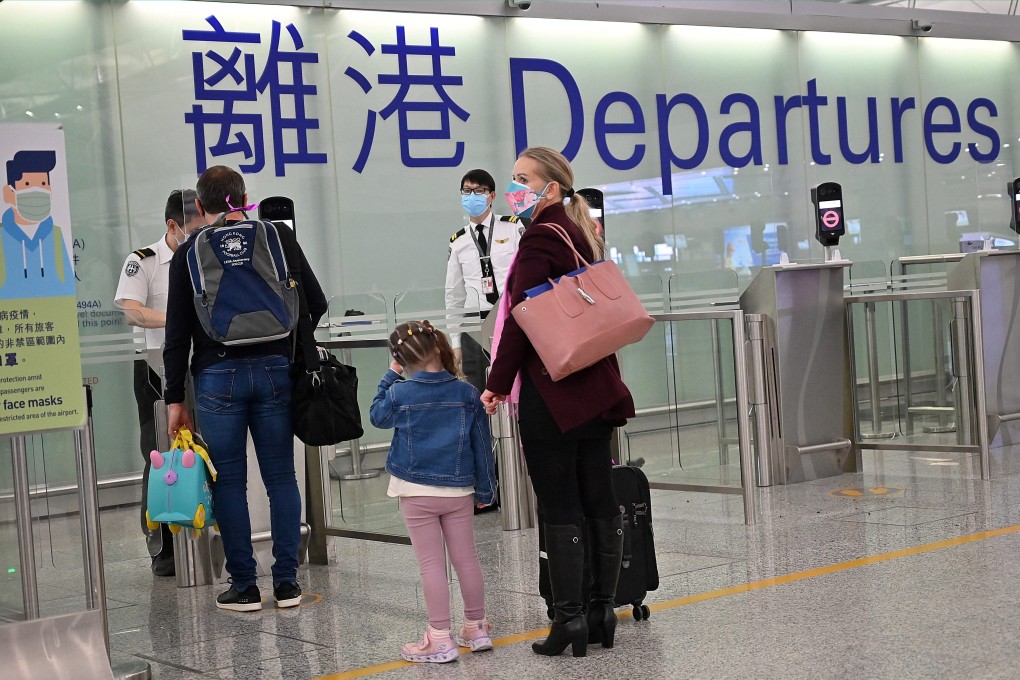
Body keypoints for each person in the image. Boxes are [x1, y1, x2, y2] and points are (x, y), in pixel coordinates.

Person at [480, 146, 633, 658]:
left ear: (551, 189)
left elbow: (524, 322)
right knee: (598, 495)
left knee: (561, 502)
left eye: (523, 179)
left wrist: (497, 383)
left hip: (554, 393)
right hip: (597, 388)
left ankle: (568, 620)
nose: (513, 189)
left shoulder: (540, 238)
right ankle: (601, 611)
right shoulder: (578, 233)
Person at [163, 166, 327, 612]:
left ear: (200, 207)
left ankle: (245, 587)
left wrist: (174, 399)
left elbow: (176, 334)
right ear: (244, 196)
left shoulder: (190, 252)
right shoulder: (277, 236)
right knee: (280, 477)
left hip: (217, 377)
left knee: (229, 482)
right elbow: (317, 300)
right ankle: (288, 584)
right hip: (276, 371)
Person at [370, 320, 497, 664]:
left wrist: (390, 374)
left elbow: (376, 416)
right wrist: (486, 488)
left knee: (431, 565)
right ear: (438, 347)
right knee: (467, 558)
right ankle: (476, 627)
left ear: (401, 360)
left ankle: (440, 639)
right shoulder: (467, 393)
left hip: (416, 490)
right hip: (458, 490)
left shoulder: (399, 392)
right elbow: (482, 445)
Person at [114, 188, 204, 577]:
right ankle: (162, 545)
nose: (200, 233)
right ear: (172, 225)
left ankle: (206, 530)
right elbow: (131, 311)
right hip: (156, 370)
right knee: (158, 456)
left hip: (202, 366)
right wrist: (178, 320)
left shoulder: (207, 254)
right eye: (193, 228)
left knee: (203, 450)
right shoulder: (145, 260)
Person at [445, 169, 523, 393]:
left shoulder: (513, 227)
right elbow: (454, 295)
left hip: (509, 319)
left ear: (492, 196)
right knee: (479, 393)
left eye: (479, 191)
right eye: (467, 191)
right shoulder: (458, 241)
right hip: (474, 329)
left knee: (515, 387)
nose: (472, 196)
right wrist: (455, 342)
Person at [1, 150, 75, 298]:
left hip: (58, 318)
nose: (38, 191)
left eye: (43, 184)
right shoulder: (2, 239)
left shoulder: (55, 234)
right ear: (9, 193)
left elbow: (67, 285)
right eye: (27, 184)